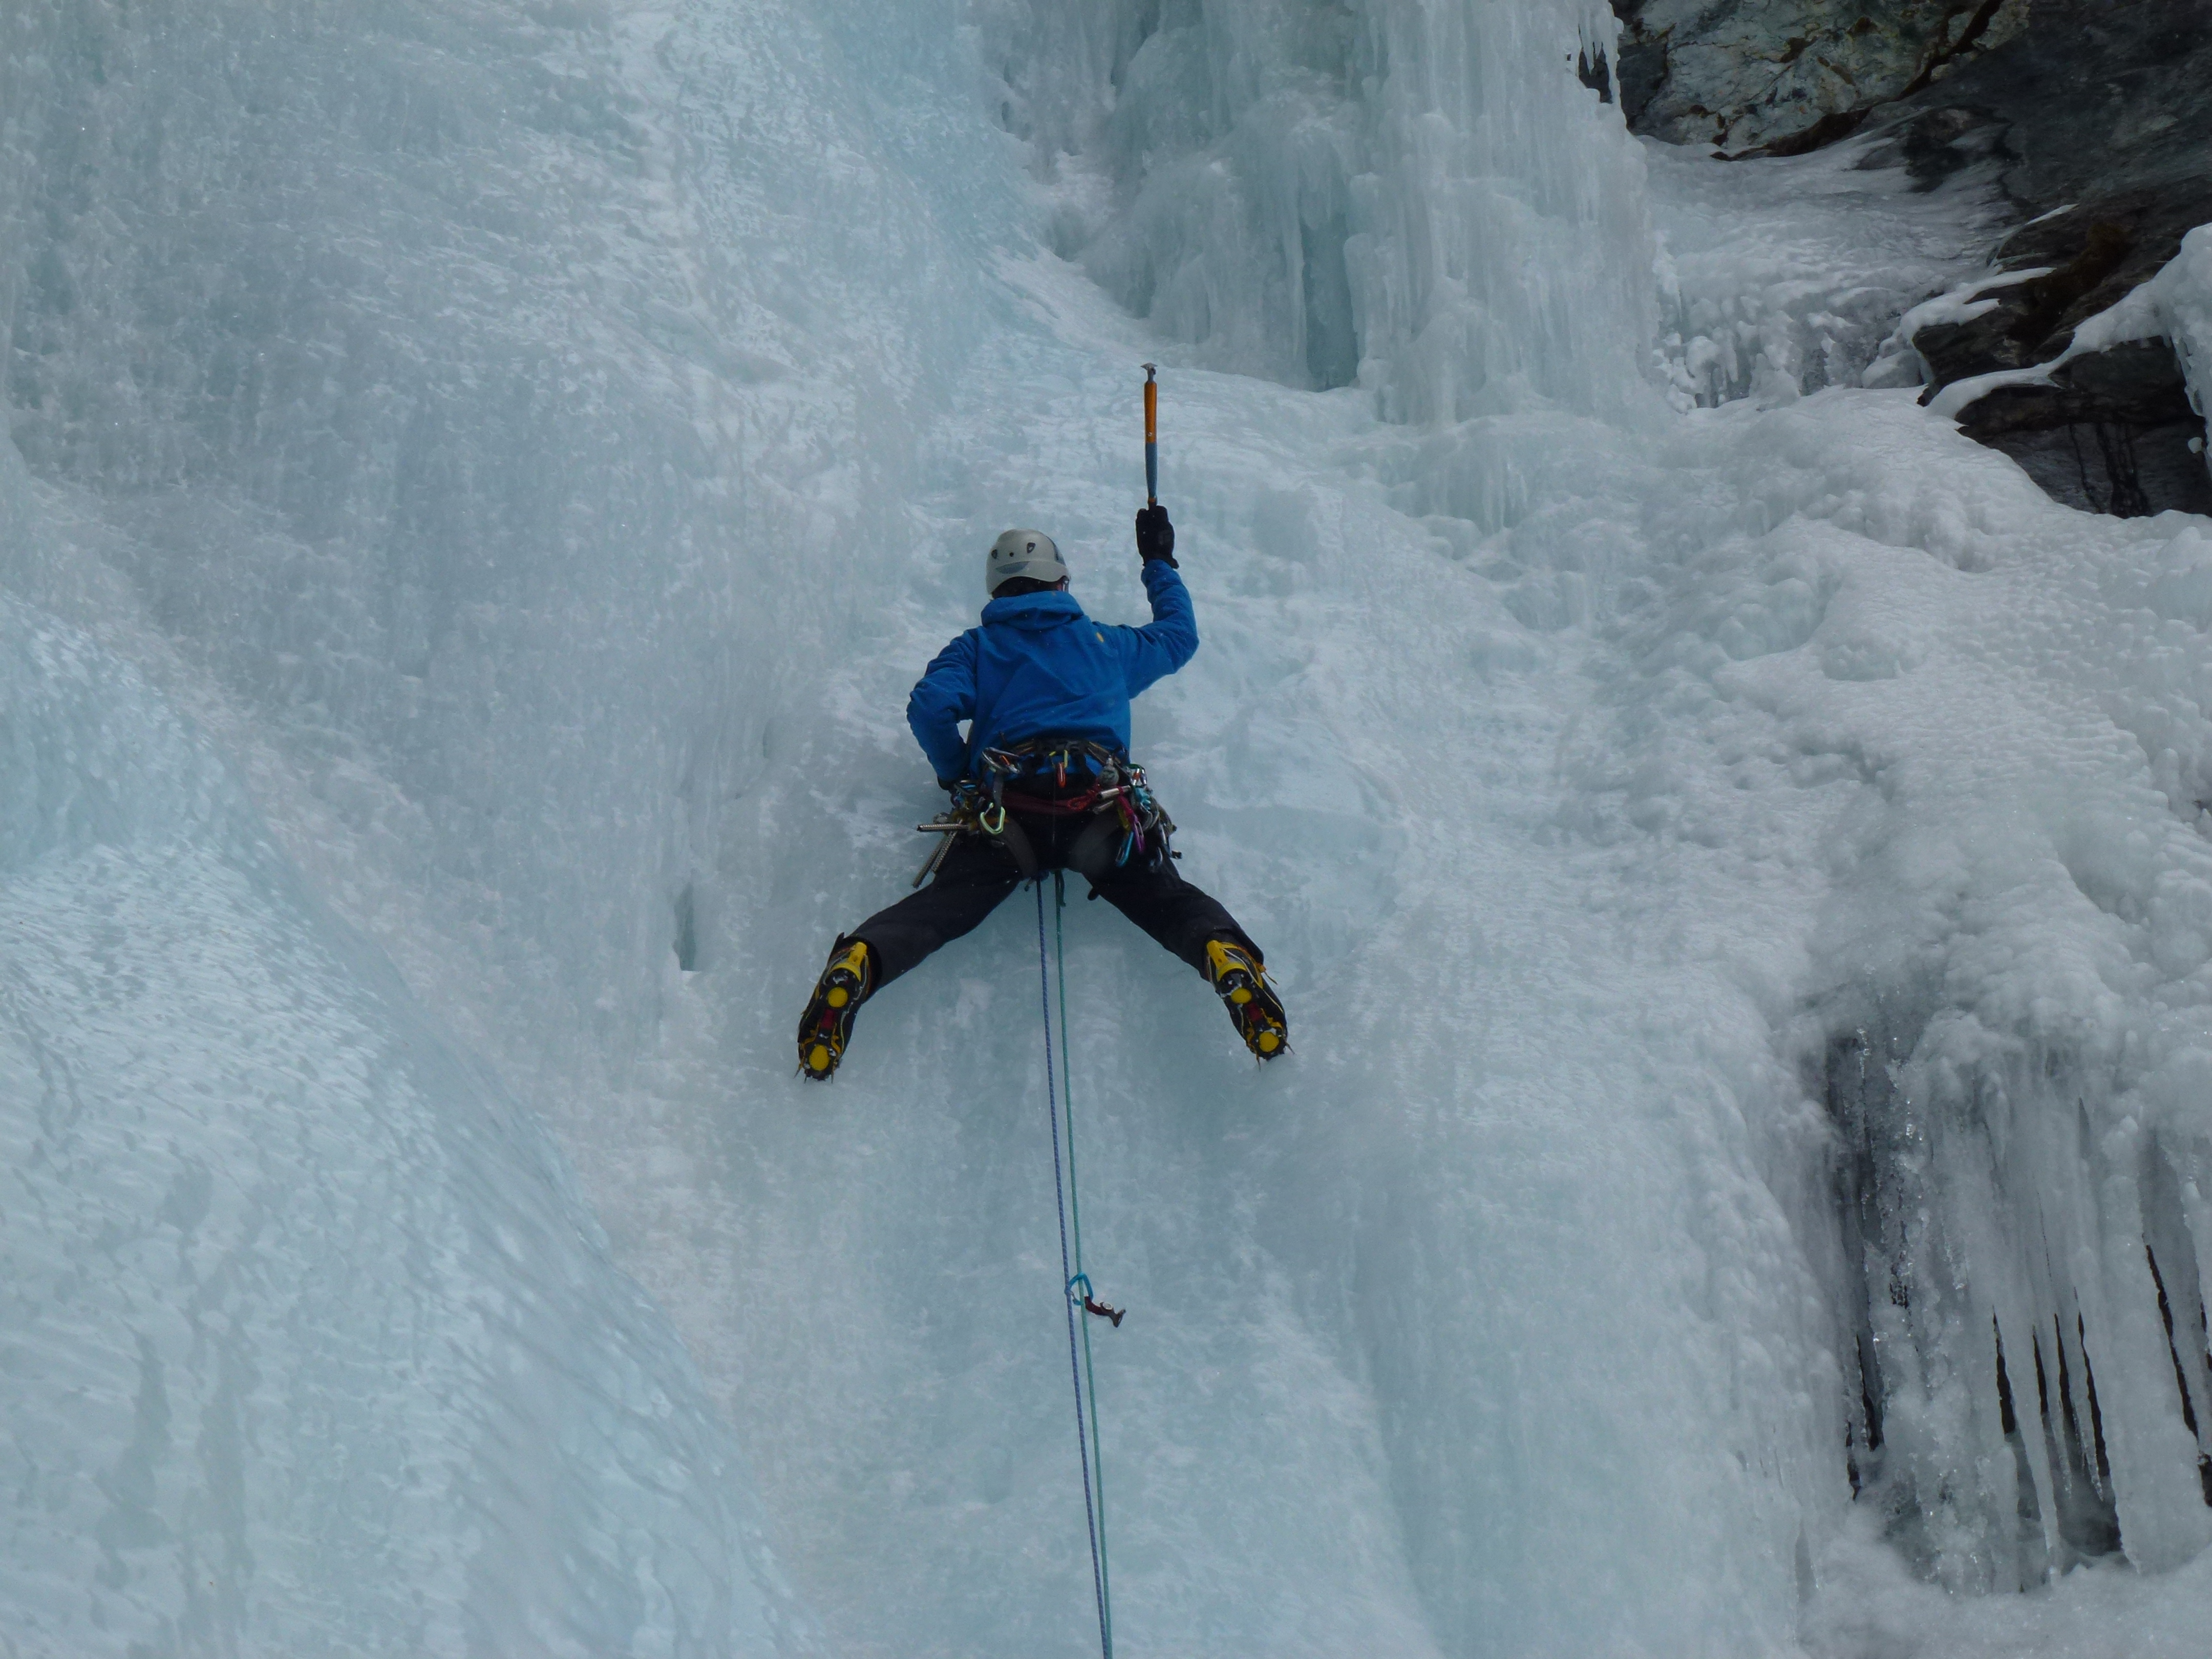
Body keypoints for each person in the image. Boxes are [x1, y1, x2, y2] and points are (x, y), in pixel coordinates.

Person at [796, 505, 1286, 1079]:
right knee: (1160, 896)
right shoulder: (1107, 644)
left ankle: (864, 959)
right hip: (1099, 810)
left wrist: (958, 775)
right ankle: (1218, 950)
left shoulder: (976, 649)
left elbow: (929, 705)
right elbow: (1180, 636)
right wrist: (1159, 560)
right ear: (1062, 582)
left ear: (998, 591)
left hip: (1009, 814)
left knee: (945, 907)